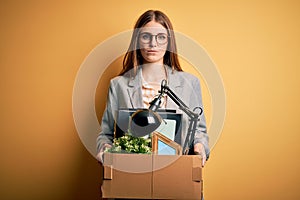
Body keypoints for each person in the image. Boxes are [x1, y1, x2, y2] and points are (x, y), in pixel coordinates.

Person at [96, 10, 209, 166]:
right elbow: (106, 134)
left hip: (175, 172)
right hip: (130, 171)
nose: (153, 44)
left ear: (169, 42)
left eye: (161, 37)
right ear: (137, 40)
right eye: (146, 36)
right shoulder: (118, 85)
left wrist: (200, 147)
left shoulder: (190, 83)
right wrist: (105, 149)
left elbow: (199, 132)